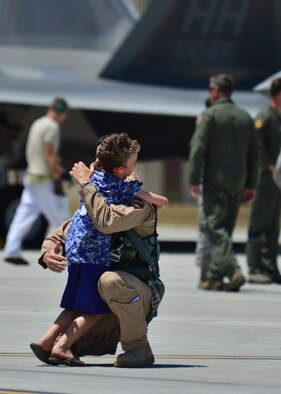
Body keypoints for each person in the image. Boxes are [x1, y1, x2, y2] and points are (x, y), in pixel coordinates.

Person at [31, 133, 168, 367]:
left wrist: (87, 185)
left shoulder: (137, 205)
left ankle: (138, 349)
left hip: (135, 290)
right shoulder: (99, 197)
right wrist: (47, 254)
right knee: (83, 308)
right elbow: (65, 231)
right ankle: (56, 344)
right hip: (106, 289)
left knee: (107, 283)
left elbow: (107, 222)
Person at [188, 74, 259, 291]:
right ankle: (215, 276)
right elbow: (254, 153)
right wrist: (250, 183)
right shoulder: (245, 117)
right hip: (238, 181)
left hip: (215, 180)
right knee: (225, 228)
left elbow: (198, 149)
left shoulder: (210, 115)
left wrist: (193, 178)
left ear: (216, 91)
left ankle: (233, 270)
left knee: (216, 227)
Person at [3, 97, 69, 265]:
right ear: (61, 113)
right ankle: (72, 249)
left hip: (32, 176)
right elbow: (49, 153)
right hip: (43, 179)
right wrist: (56, 173)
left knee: (24, 214)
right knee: (60, 217)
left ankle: (11, 249)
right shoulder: (52, 127)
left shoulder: (38, 123)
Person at [246, 78, 281, 284]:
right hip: (265, 178)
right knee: (258, 223)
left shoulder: (278, 118)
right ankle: (255, 267)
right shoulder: (264, 117)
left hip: (276, 181)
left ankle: (270, 268)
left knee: (273, 226)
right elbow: (257, 145)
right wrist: (269, 165)